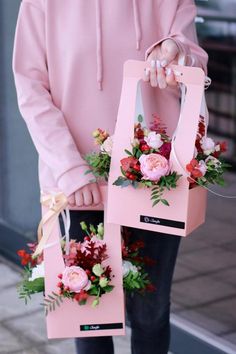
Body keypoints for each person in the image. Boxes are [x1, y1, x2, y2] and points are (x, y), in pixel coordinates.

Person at [12, 1, 208, 353]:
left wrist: (178, 53)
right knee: (90, 319)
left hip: (152, 177)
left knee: (150, 313)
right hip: (77, 184)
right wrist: (70, 169)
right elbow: (30, 87)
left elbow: (193, 57)